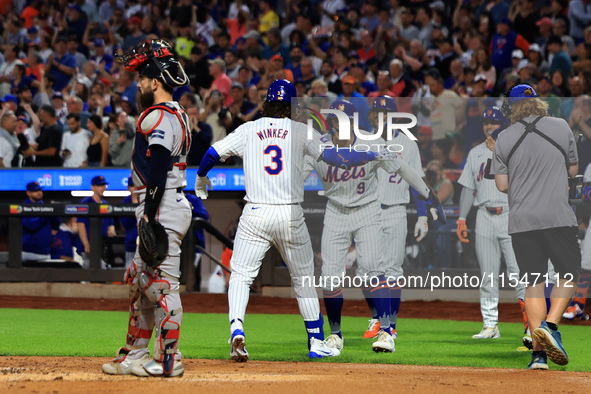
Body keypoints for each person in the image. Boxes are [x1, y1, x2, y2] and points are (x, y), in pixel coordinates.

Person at [195, 79, 445, 361]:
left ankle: (237, 331)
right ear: (293, 106)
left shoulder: (249, 129)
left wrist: (202, 178)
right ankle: (317, 339)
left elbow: (212, 153)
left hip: (258, 211)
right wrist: (374, 157)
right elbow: (339, 160)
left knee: (241, 275)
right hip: (292, 212)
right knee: (305, 278)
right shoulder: (303, 132)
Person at [102, 39, 192, 378]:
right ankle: (137, 353)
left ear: (155, 81)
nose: (138, 83)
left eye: (141, 77)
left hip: (162, 204)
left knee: (160, 285)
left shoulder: (158, 114)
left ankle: (170, 359)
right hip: (162, 202)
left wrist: (151, 214)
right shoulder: (176, 113)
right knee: (137, 280)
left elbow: (157, 166)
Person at [491, 84, 581, 370]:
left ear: (512, 108)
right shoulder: (561, 126)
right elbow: (573, 172)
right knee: (568, 274)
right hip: (557, 217)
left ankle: (538, 356)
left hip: (522, 221)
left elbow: (502, 185)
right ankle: (552, 326)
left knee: (533, 282)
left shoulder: (503, 137)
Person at [358, 96, 429, 342]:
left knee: (393, 271)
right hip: (368, 211)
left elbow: (417, 181)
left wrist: (422, 216)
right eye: (376, 113)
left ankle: (391, 325)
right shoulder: (364, 141)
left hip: (397, 210)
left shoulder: (408, 144)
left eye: (384, 113)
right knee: (364, 271)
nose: (379, 117)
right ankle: (378, 317)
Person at [456, 106, 527, 343]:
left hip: (509, 213)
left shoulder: (514, 149)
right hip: (484, 214)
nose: (489, 126)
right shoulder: (475, 152)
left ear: (503, 125)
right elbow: (468, 187)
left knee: (519, 273)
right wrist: (462, 218)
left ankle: (530, 325)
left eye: (494, 122)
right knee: (488, 275)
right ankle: (490, 325)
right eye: (486, 122)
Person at [77, 176, 116, 269]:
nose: (103, 187)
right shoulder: (86, 203)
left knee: (103, 272)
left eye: (104, 185)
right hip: (88, 247)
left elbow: (111, 225)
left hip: (102, 247)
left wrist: (112, 232)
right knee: (88, 275)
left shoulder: (106, 205)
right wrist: (86, 245)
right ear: (93, 187)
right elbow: (80, 225)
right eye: (99, 185)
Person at [22, 181, 61, 261]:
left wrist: (52, 210)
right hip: (28, 251)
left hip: (44, 251)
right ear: (28, 193)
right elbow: (31, 226)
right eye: (35, 191)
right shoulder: (24, 207)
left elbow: (57, 224)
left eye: (40, 190)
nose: (39, 193)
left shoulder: (46, 206)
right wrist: (46, 211)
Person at [184, 192, 209, 291]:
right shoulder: (168, 199)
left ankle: (195, 293)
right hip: (175, 244)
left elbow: (205, 216)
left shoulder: (193, 199)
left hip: (194, 244)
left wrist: (190, 207)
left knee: (193, 274)